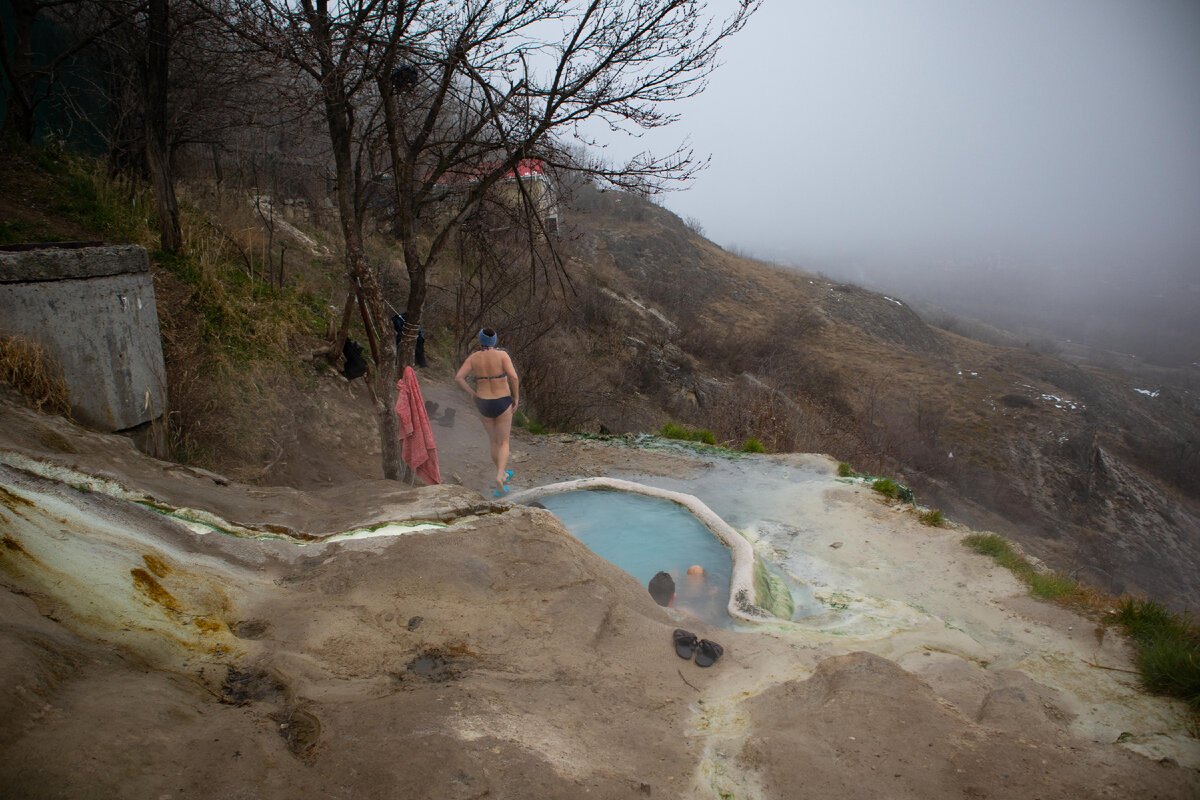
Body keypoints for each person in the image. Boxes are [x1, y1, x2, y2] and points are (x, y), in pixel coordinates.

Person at [455, 328, 519, 496]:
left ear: (480, 340)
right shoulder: (502, 356)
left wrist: (472, 394)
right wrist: (516, 398)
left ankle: (502, 473)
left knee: (493, 441)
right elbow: (513, 377)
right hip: (502, 401)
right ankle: (500, 476)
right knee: (504, 442)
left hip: (483, 403)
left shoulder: (473, 358)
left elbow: (459, 378)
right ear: (494, 341)